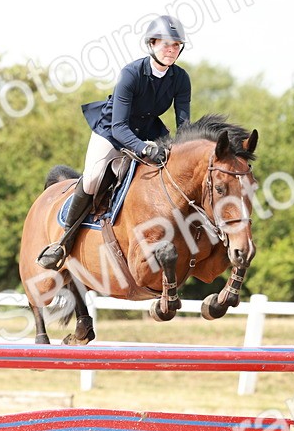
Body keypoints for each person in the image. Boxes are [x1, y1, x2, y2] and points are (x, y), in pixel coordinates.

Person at [37, 15, 192, 269]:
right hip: (112, 130)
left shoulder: (181, 78)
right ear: (151, 44)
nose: (171, 50)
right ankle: (62, 243)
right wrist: (144, 148)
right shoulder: (131, 74)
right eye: (166, 44)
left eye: (176, 45)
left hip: (150, 130)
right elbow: (119, 127)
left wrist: (181, 151)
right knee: (93, 177)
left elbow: (184, 125)